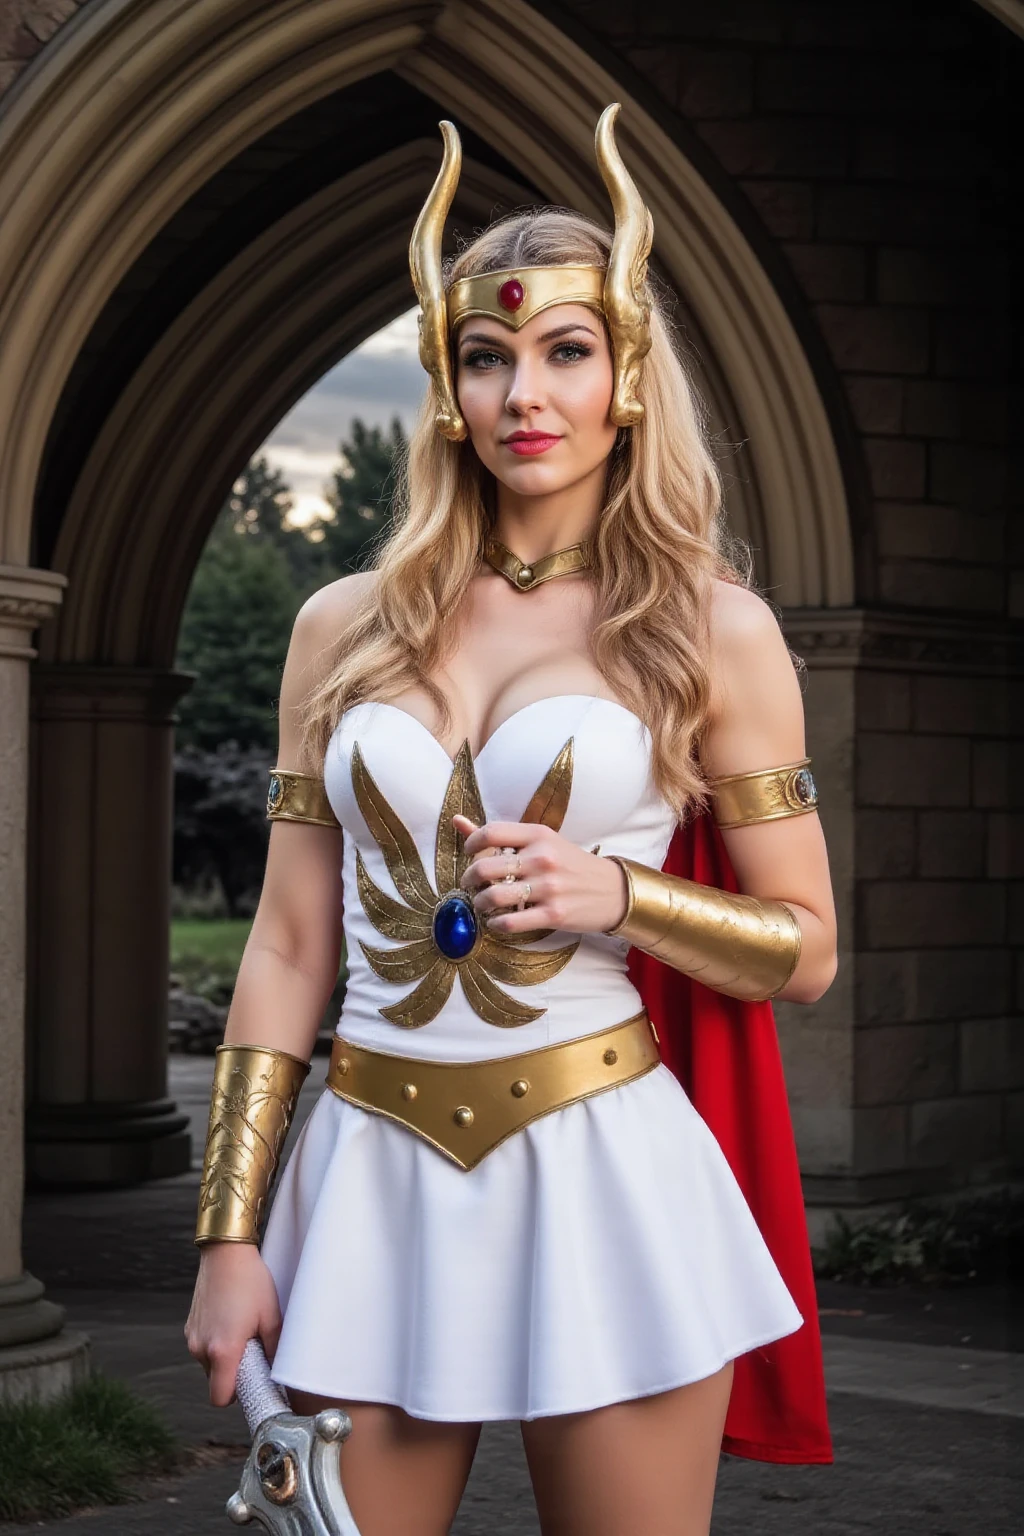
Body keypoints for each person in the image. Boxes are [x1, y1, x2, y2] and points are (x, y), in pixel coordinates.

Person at [185, 103, 837, 1536]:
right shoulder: (338, 627)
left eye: (564, 351)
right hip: (365, 1171)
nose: (523, 394)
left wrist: (626, 897)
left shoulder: (713, 631)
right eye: (486, 357)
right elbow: (292, 945)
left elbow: (805, 949)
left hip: (604, 1166)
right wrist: (230, 1231)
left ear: (627, 379)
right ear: (444, 382)